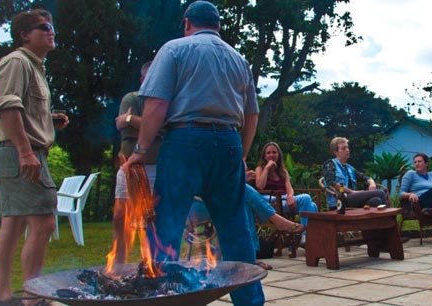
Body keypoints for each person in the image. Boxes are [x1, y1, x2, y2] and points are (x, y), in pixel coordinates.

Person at [122, 2, 263, 305]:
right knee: (236, 229)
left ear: (187, 23)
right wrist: (241, 153)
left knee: (167, 224)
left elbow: (156, 105)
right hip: (229, 141)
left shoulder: (174, 49)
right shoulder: (239, 59)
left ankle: (163, 296)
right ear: (218, 26)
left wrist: (140, 150)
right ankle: (250, 302)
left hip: (185, 139)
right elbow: (252, 115)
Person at [0, 9, 69, 306]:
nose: (51, 31)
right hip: (22, 154)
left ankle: (3, 297)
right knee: (44, 223)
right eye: (44, 27)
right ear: (24, 34)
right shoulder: (17, 62)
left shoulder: (34, 66)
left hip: (17, 154)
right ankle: (34, 299)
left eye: (52, 27)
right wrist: (25, 151)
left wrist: (47, 119)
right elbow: (8, 107)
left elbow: (23, 109)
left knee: (13, 224)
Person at [188, 170, 303, 270]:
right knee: (241, 188)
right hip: (196, 205)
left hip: (216, 202)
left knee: (243, 204)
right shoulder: (190, 160)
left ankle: (251, 258)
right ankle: (275, 219)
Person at [111, 61, 159, 264]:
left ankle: (150, 265)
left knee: (152, 221)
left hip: (156, 166)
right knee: (120, 216)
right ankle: (117, 265)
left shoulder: (165, 101)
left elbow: (161, 129)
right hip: (130, 166)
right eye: (149, 76)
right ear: (142, 79)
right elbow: (121, 127)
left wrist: (131, 119)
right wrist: (147, 125)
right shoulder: (131, 98)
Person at [254, 142, 317, 244]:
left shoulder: (283, 171)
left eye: (274, 152)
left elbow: (289, 187)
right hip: (272, 204)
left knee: (312, 205)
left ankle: (307, 236)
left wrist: (290, 196)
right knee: (306, 198)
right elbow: (260, 186)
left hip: (284, 201)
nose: (271, 155)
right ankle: (306, 235)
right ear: (264, 156)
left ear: (278, 155)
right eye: (268, 153)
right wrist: (267, 168)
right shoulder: (260, 169)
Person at [321, 137, 388, 209]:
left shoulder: (350, 168)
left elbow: (365, 177)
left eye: (347, 147)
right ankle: (390, 218)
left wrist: (371, 182)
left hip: (353, 199)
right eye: (343, 148)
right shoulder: (330, 164)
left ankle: (375, 220)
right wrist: (351, 192)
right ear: (335, 152)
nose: (347, 150)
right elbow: (331, 182)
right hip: (340, 200)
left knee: (376, 200)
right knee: (380, 193)